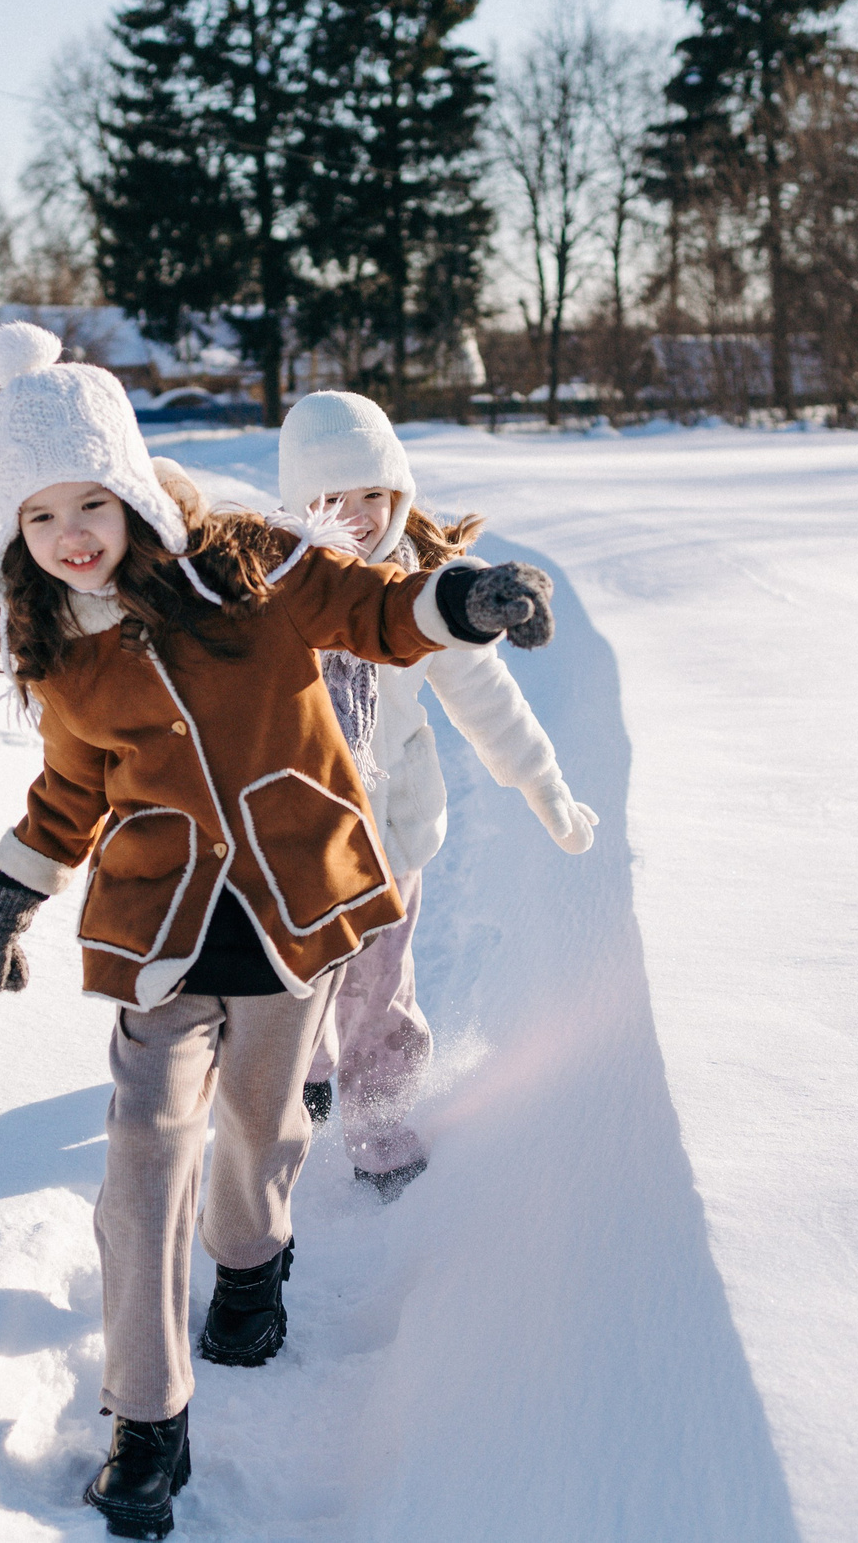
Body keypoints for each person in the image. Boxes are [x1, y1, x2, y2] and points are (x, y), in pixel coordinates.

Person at [0, 323, 559, 1540]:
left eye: (91, 501)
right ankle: (144, 1422)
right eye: (38, 518)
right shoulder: (64, 651)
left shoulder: (259, 572)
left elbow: (382, 609)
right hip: (162, 929)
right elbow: (71, 789)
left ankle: (251, 1261)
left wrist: (467, 602)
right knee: (141, 1155)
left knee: (260, 1125)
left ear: (133, 487)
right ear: (14, 534)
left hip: (297, 904)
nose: (71, 534)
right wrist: (15, 886)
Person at [276, 392, 599, 1202]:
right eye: (329, 500)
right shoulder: (272, 594)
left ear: (400, 494)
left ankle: (381, 1129)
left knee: (380, 994)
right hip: (291, 851)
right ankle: (307, 1073)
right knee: (294, 988)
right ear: (295, 503)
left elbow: (489, 700)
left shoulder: (423, 596)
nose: (355, 517)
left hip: (389, 843)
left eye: (372, 496)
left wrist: (543, 784)